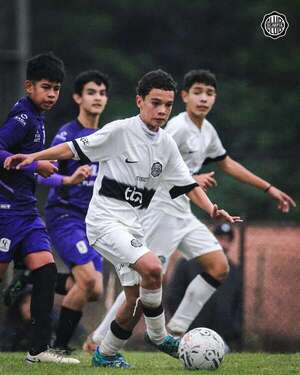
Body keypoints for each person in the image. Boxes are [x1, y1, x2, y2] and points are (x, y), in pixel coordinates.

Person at [4, 69, 241, 368]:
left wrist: (211, 209)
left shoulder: (166, 143)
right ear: (139, 101)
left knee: (136, 301)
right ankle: (161, 336)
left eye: (167, 105)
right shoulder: (120, 131)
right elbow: (72, 149)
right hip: (104, 223)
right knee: (153, 268)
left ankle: (106, 354)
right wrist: (33, 157)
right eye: (155, 103)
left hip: (133, 227)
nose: (162, 111)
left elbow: (188, 184)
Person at [86, 69, 296, 346]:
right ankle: (99, 338)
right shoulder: (176, 127)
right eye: (197, 92)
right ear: (184, 97)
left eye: (209, 93)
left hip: (184, 213)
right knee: (146, 280)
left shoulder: (206, 130)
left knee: (219, 267)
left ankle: (175, 330)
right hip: (160, 211)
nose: (203, 99)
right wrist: (192, 178)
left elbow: (227, 163)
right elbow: (155, 165)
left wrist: (268, 187)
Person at [0, 52, 79, 364]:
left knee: (46, 270)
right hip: (5, 211)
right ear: (28, 86)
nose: (51, 94)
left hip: (26, 211)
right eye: (46, 87)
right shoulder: (21, 119)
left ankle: (37, 351)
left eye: (56, 88)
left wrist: (64, 178)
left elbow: (35, 167)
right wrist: (37, 166)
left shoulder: (38, 119)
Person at [41, 70, 109, 352]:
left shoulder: (107, 137)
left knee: (95, 290)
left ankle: (38, 280)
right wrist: (68, 180)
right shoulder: (68, 135)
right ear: (78, 97)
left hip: (93, 221)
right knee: (89, 280)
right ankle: (58, 348)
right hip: (65, 216)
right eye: (92, 92)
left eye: (102, 93)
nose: (98, 98)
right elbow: (42, 174)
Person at [165, 223, 243, 351]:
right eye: (219, 238)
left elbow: (238, 304)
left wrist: (233, 330)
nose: (223, 244)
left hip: (222, 338)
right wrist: (182, 327)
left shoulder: (234, 270)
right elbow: (173, 296)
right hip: (190, 335)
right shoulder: (187, 263)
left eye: (227, 240)